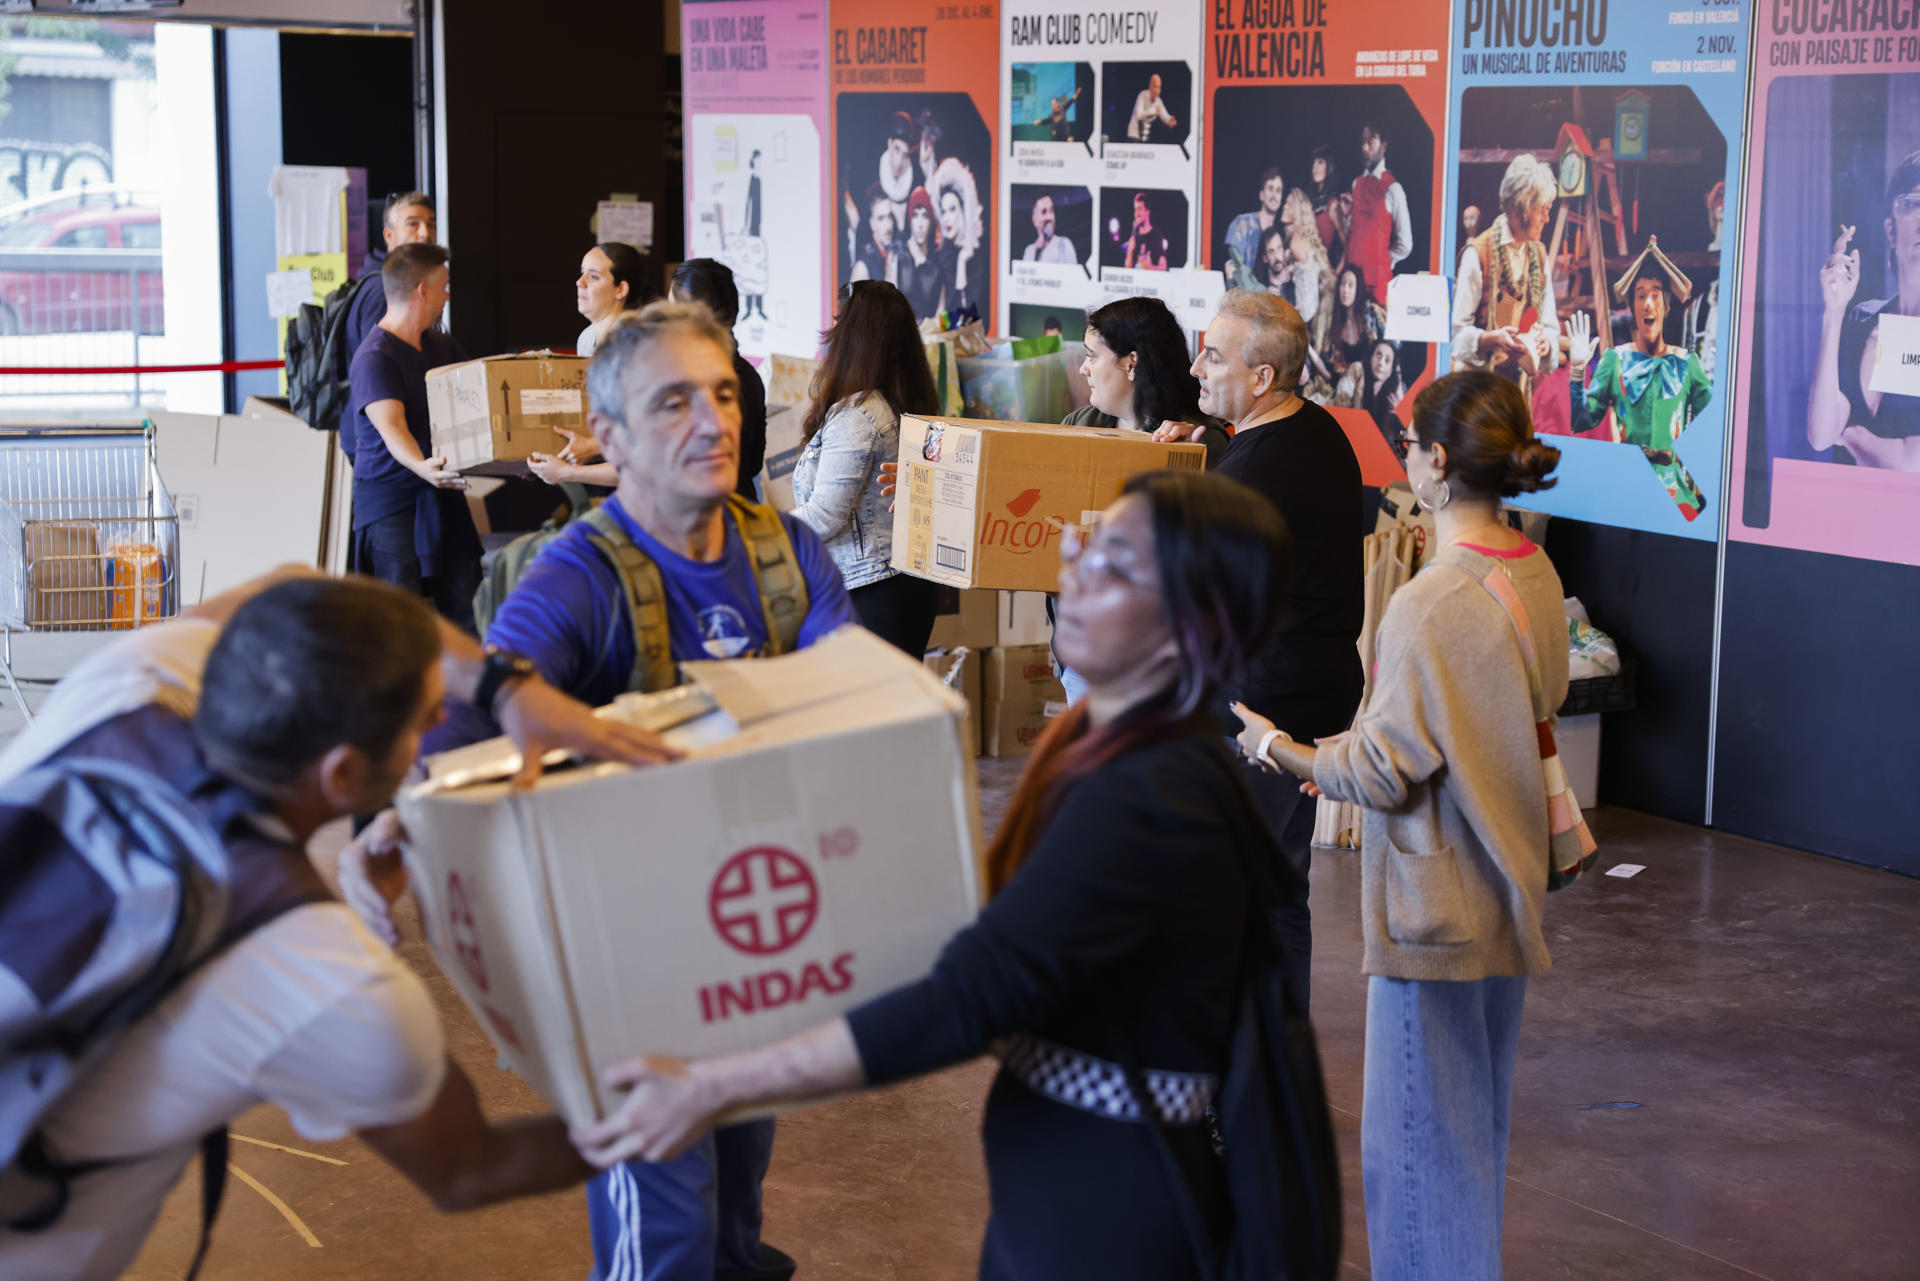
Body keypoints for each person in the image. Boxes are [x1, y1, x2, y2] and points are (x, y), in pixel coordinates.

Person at [571, 469, 1298, 1281]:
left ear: (1190, 627)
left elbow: (974, 992)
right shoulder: (1142, 756)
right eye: (1089, 539)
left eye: (1115, 560)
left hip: (1112, 1211)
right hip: (1085, 1185)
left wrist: (713, 1084)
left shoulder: (1151, 793)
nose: (1072, 561)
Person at [0, 570, 671, 1281]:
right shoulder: (336, 984)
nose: (442, 721)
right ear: (343, 775)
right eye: (422, 720)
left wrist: (508, 688)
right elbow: (472, 1170)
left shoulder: (129, 681)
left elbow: (297, 584)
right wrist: (688, 1102)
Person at [424, 300, 856, 1281]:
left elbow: (859, 710)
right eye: (673, 403)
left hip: (755, 933)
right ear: (608, 436)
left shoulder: (790, 557)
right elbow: (457, 745)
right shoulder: (578, 579)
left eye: (724, 394)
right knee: (661, 1236)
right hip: (628, 965)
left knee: (735, 1208)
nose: (713, 422)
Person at [1233, 369, 1566, 1281]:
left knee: (1416, 1159)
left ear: (1437, 464)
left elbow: (1381, 769)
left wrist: (1281, 749)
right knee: (1469, 1141)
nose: (1407, 459)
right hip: (1505, 882)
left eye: (1414, 444)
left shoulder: (1430, 600)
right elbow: (1468, 721)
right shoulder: (1530, 570)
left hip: (1432, 904)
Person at [1179, 289, 1363, 997]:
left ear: (1261, 378)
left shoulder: (1251, 474)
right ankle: (1276, 1072)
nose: (1197, 368)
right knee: (1281, 888)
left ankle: (1225, 1083)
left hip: (1257, 703)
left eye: (1214, 356)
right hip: (1314, 688)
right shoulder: (1315, 431)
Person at [793, 280, 940, 655]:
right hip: (902, 585)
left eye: (838, 323)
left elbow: (826, 514)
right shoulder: (903, 400)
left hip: (871, 591)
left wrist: (765, 530)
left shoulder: (859, 415)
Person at [347, 242, 482, 632]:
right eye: (444, 286)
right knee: (398, 614)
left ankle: (467, 687)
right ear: (422, 290)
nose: (448, 296)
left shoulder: (441, 344)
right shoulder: (375, 356)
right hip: (390, 495)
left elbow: (477, 400)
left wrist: (513, 459)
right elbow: (393, 428)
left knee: (465, 597)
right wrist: (422, 466)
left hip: (439, 482)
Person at [1565, 239, 1712, 517]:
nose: (1648, 304)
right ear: (1632, 306)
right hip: (1626, 483)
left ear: (1666, 305)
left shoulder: (1687, 363)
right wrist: (1576, 373)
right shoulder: (1614, 360)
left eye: (1655, 295)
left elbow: (1714, 425)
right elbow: (1582, 419)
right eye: (1640, 295)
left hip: (1673, 489)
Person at [1807, 150, 1920, 470]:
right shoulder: (1862, 319)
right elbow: (1820, 434)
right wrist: (1834, 312)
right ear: (1890, 231)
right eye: (1913, 204)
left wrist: (1849, 434)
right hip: (1853, 512)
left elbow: (1909, 465)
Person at [1452, 153, 1561, 395]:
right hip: (1476, 393)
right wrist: (1491, 339)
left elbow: (1551, 327)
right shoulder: (1479, 253)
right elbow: (1457, 337)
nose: (1547, 218)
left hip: (1515, 395)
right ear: (1523, 206)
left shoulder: (1539, 257)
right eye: (1542, 210)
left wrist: (1545, 344)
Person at [342, 191, 438, 460]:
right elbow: (376, 370)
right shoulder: (381, 291)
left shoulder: (391, 285)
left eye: (431, 224)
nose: (425, 233)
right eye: (413, 223)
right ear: (389, 235)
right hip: (384, 450)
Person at [1348, 123, 1413, 308]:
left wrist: (1384, 261)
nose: (1364, 147)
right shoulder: (1356, 184)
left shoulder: (1393, 189)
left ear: (1384, 147)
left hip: (1377, 287)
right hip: (1352, 284)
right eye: (1363, 142)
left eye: (1370, 142)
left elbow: (1406, 244)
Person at [1308, 262, 1387, 397]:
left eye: (1351, 285)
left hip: (1374, 384)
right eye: (1343, 284)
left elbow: (1389, 347)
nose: (1345, 290)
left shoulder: (1371, 312)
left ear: (1358, 289)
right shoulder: (1334, 324)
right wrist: (1307, 347)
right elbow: (1329, 374)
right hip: (1345, 391)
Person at [575, 241, 654, 357]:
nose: (580, 282)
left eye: (594, 276)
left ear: (621, 289)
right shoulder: (585, 338)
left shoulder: (639, 342)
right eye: (582, 272)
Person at [934, 170, 987, 320]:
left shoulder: (976, 258)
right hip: (946, 337)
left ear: (963, 211)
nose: (947, 219)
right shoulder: (942, 256)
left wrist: (962, 264)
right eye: (943, 212)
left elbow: (968, 317)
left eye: (952, 209)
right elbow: (943, 313)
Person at [1334, 338, 1407, 443]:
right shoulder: (1357, 371)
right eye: (1378, 355)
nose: (1381, 363)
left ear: (1392, 368)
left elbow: (1406, 433)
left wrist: (1400, 409)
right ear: (1371, 356)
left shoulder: (1398, 390)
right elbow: (1340, 404)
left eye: (1387, 360)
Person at [1225, 168, 1286, 291]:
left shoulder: (1279, 233)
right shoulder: (1242, 224)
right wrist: (1265, 293)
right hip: (1243, 302)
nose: (1274, 195)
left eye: (1278, 191)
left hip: (1270, 305)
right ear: (1262, 195)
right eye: (1270, 188)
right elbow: (1238, 269)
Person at [899, 185, 952, 321]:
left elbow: (941, 312)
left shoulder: (938, 264)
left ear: (931, 221)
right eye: (915, 216)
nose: (920, 224)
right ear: (910, 220)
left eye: (925, 216)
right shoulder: (898, 256)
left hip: (929, 338)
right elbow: (886, 307)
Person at [848, 182, 902, 287]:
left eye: (890, 217)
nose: (888, 226)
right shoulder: (862, 267)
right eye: (881, 219)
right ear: (872, 224)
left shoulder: (893, 254)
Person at [1307, 145, 1344, 265]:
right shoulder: (1309, 202)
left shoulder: (1333, 204)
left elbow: (1347, 243)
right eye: (1314, 162)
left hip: (1325, 271)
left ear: (1329, 167)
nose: (1315, 166)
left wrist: (1337, 273)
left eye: (1320, 162)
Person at [1022, 192, 1077, 265]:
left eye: (1051, 211)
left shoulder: (1064, 244)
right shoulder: (1029, 251)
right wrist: (1035, 254)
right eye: (1044, 212)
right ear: (1034, 220)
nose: (1050, 217)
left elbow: (1073, 274)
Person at [1125, 192, 1172, 271]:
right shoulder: (1134, 236)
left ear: (1147, 211)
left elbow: (1164, 267)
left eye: (1140, 209)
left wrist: (1149, 267)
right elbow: (1127, 268)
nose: (1137, 214)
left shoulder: (1156, 236)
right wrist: (1130, 251)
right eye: (1135, 210)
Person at [1127, 72, 1178, 142]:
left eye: (1159, 87)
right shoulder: (1142, 95)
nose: (1157, 90)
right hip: (1134, 136)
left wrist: (1170, 121)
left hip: (1145, 137)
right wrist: (1153, 111)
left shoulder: (1158, 102)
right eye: (1155, 86)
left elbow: (1165, 116)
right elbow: (1139, 116)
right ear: (1150, 86)